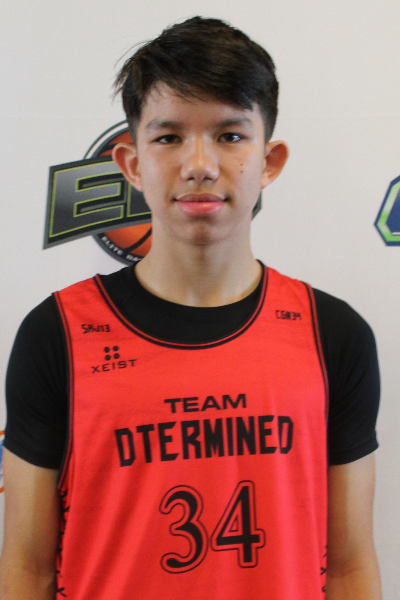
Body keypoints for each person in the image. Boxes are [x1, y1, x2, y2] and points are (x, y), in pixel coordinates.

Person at [0, 16, 381, 600]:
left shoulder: (333, 334)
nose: (199, 164)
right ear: (131, 164)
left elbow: (351, 568)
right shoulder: (57, 334)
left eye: (229, 135)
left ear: (270, 160)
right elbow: (26, 570)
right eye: (169, 137)